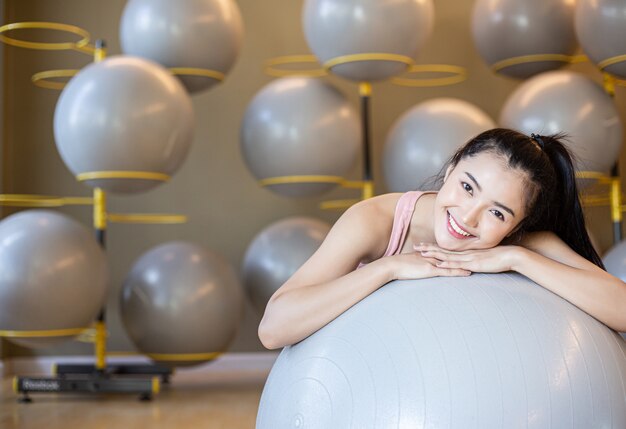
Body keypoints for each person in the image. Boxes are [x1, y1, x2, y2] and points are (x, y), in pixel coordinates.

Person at [258, 128, 626, 350]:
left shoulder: (522, 244)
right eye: (467, 187)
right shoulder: (375, 221)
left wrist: (518, 259)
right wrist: (389, 269)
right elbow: (274, 329)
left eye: (497, 212)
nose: (467, 217)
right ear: (451, 168)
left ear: (517, 226)